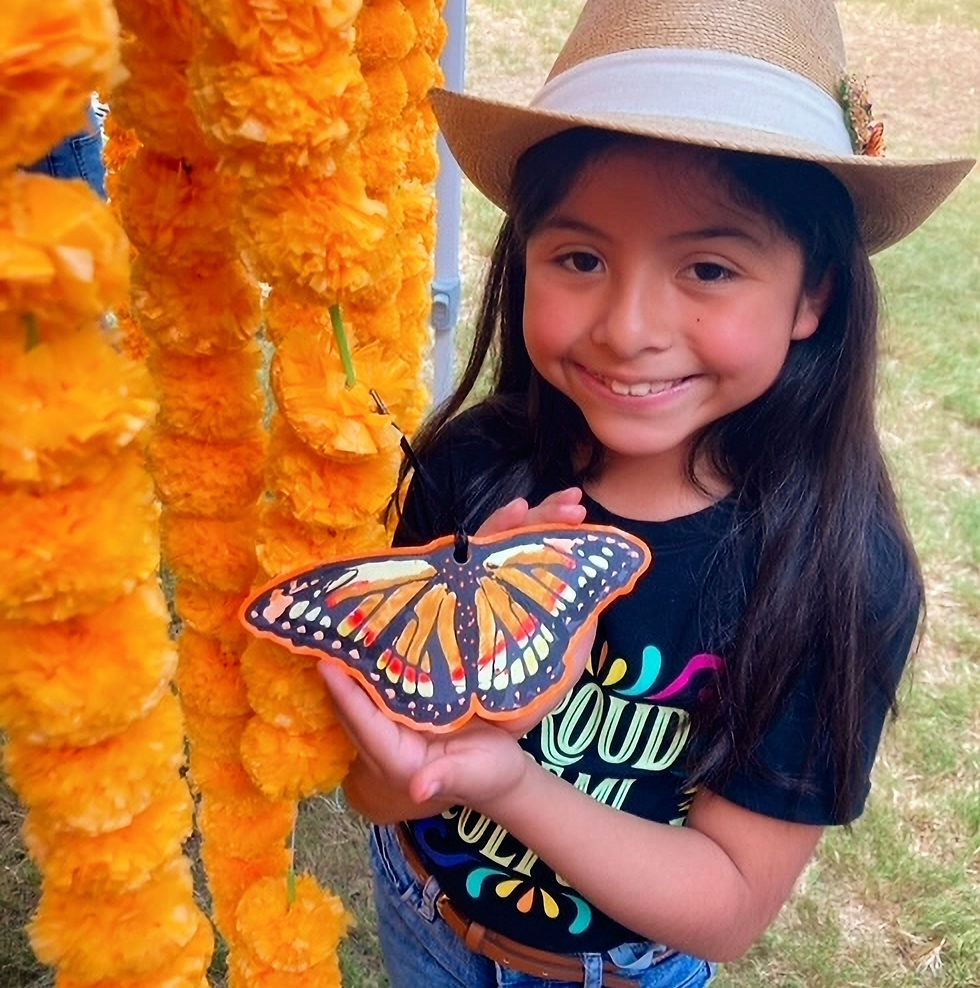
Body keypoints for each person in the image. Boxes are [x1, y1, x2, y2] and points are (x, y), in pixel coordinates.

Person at [317, 1, 974, 985]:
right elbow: (376, 789)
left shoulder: (835, 577)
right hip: (423, 914)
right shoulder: (472, 468)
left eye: (707, 267)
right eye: (580, 257)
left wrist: (505, 779)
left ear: (813, 295)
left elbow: (727, 907)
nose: (626, 328)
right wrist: (449, 736)